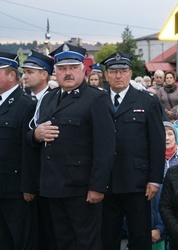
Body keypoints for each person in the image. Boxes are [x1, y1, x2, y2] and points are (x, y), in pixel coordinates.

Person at [29, 43, 116, 249]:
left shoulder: (96, 99)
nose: (67, 73)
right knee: (62, 241)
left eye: (73, 68)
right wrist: (35, 135)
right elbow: (31, 134)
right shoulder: (49, 98)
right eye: (62, 69)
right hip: (53, 185)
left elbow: (105, 147)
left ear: (83, 70)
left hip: (81, 188)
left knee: (86, 242)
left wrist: (97, 186)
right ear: (55, 72)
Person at [98, 51, 165, 250]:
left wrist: (154, 179)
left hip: (137, 181)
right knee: (108, 234)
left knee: (139, 234)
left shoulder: (147, 101)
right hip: (106, 180)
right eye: (113, 71)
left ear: (130, 73)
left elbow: (157, 142)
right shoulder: (98, 101)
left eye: (123, 71)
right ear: (106, 75)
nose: (118, 76)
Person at [0, 52, 38, 249]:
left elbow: (29, 150)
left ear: (11, 75)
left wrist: (28, 186)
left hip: (16, 189)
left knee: (22, 240)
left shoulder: (26, 105)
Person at [21, 50, 57, 250]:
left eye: (30, 72)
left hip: (51, 181)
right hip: (33, 181)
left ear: (45, 74)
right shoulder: (26, 100)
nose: (25, 76)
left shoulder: (54, 100)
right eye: (25, 71)